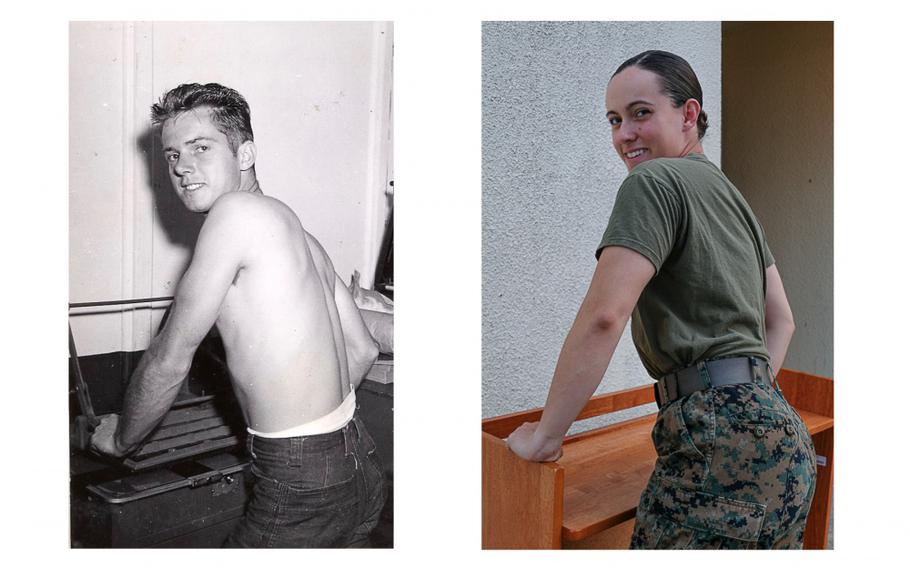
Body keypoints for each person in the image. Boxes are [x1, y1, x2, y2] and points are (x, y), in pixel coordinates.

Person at [505, 51, 817, 549]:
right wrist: (747, 400)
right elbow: (782, 320)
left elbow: (605, 316)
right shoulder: (731, 196)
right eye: (614, 120)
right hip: (784, 439)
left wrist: (546, 437)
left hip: (717, 442)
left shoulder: (652, 182)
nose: (623, 134)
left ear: (688, 114)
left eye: (640, 113)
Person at [90, 83, 386, 548]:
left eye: (200, 148)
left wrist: (120, 441)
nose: (182, 167)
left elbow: (171, 356)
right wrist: (318, 426)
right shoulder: (300, 232)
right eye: (171, 155)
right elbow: (362, 348)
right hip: (355, 461)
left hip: (302, 476)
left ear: (245, 153)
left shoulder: (233, 214)